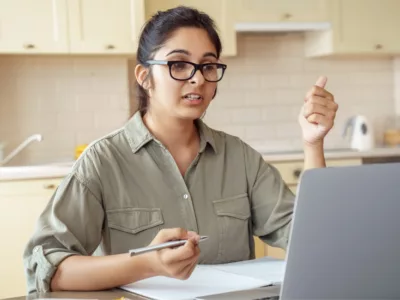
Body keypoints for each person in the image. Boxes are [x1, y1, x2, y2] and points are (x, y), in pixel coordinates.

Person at [23, 5, 338, 294]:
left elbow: (316, 242)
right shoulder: (102, 161)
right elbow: (47, 269)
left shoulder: (239, 157)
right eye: (178, 64)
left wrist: (313, 144)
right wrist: (147, 264)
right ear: (145, 76)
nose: (198, 79)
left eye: (208, 66)